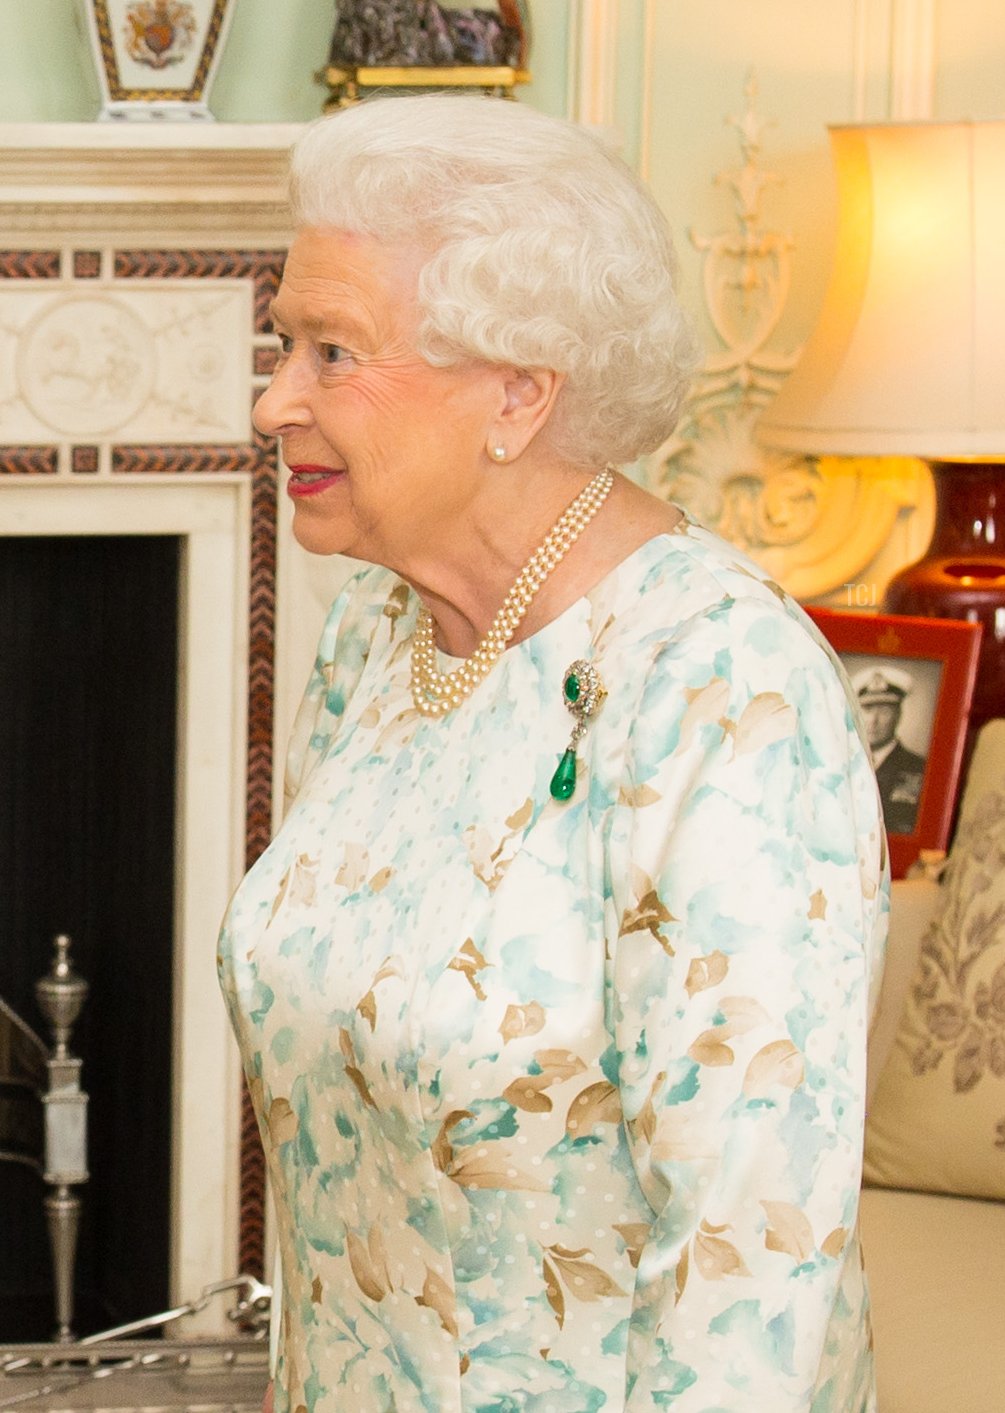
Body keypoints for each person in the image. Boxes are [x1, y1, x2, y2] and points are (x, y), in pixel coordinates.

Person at [217, 94, 888, 1413]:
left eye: (331, 352)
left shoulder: (722, 689)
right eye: (281, 344)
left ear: (518, 392)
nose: (271, 400)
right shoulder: (377, 631)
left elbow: (750, 1264)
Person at [853, 666, 926, 835]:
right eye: (867, 710)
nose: (873, 721)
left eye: (884, 711)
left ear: (898, 715)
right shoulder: (840, 761)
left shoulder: (918, 768)